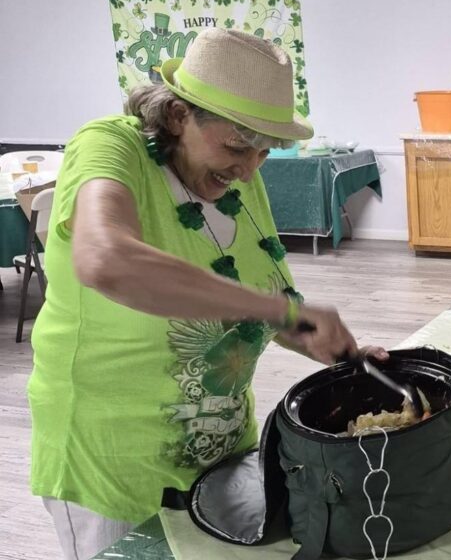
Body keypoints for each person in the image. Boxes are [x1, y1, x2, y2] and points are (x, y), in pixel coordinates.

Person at [28, 28, 381, 560]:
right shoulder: (110, 145)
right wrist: (278, 308)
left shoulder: (241, 177)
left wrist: (326, 347)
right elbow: (107, 259)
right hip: (113, 462)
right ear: (177, 116)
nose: (249, 166)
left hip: (223, 450)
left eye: (265, 149)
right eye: (238, 143)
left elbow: (266, 296)